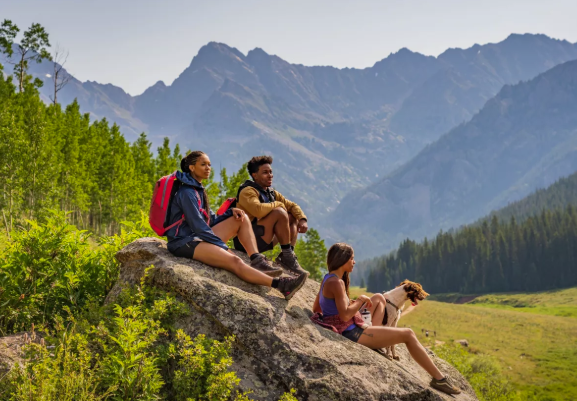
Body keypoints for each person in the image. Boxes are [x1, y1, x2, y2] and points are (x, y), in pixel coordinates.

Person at [311, 243, 461, 395]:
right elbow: (344, 316)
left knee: (379, 297)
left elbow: (316, 308)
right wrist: (359, 301)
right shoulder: (337, 282)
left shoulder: (328, 278)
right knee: (408, 334)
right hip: (352, 332)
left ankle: (378, 334)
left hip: (350, 327)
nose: (354, 262)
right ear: (343, 259)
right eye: (352, 258)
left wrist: (338, 307)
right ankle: (440, 379)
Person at [165, 151, 308, 300]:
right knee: (235, 261)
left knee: (242, 216)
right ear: (192, 168)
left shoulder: (197, 189)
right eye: (203, 164)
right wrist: (222, 246)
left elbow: (210, 219)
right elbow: (199, 227)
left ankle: (257, 260)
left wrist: (231, 211)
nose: (208, 168)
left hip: (196, 237)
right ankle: (282, 285)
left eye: (209, 164)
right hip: (184, 242)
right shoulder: (187, 192)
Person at [233, 155, 308, 275]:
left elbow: (293, 206)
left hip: (264, 237)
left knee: (291, 216)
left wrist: (302, 219)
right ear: (254, 175)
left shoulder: (270, 193)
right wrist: (278, 204)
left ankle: (287, 255)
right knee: (279, 212)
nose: (270, 175)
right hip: (247, 241)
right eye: (265, 172)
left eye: (271, 172)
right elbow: (258, 210)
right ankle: (287, 256)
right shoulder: (247, 191)